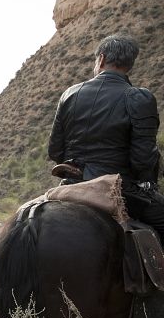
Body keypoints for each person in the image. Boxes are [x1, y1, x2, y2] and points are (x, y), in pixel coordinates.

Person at [48, 33, 162, 239]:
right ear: (130, 65)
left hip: (74, 184)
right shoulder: (139, 98)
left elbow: (55, 150)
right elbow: (143, 159)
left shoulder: (70, 94)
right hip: (120, 189)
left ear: (100, 59)